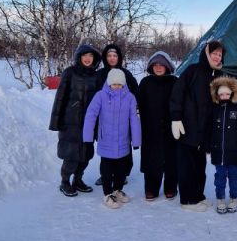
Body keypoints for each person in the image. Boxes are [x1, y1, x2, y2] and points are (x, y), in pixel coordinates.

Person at [170, 40, 225, 212]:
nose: (217, 57)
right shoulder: (193, 70)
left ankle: (198, 195)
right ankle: (187, 200)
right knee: (187, 164)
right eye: (214, 53)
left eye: (220, 55)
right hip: (187, 126)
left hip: (205, 131)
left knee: (200, 165)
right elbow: (177, 93)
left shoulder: (219, 75)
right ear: (207, 54)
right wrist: (176, 118)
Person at [83, 68, 141, 209]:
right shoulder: (100, 96)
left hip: (123, 141)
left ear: (124, 84)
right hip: (106, 141)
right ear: (109, 83)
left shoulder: (130, 98)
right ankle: (108, 194)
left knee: (122, 169)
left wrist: (136, 140)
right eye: (114, 84)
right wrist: (88, 136)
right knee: (107, 169)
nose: (117, 86)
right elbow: (91, 115)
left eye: (120, 84)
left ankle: (117, 190)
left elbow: (134, 119)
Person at [49, 44, 101, 197]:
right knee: (71, 155)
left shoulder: (95, 76)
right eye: (84, 55)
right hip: (70, 122)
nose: (87, 59)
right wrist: (55, 122)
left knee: (85, 154)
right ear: (79, 57)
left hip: (89, 123)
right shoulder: (69, 73)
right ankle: (65, 182)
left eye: (90, 56)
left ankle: (78, 180)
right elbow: (60, 98)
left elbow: (99, 100)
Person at [95, 43, 139, 186]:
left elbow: (136, 92)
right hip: (105, 120)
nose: (112, 58)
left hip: (123, 120)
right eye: (109, 55)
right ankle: (105, 175)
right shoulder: (100, 74)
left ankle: (122, 174)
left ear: (119, 57)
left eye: (115, 55)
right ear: (105, 57)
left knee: (124, 147)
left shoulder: (126, 74)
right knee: (106, 148)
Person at [207, 76, 237, 214]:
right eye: (221, 94)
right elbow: (209, 128)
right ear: (217, 95)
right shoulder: (214, 109)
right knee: (219, 176)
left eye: (227, 93)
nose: (224, 96)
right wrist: (208, 145)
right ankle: (220, 199)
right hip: (218, 151)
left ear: (232, 93)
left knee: (233, 175)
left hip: (234, 151)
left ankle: (234, 198)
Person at [138, 51, 178, 201]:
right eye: (155, 64)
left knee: (171, 159)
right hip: (150, 127)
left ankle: (171, 187)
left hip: (171, 127)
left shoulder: (175, 82)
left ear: (167, 66)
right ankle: (151, 188)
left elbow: (181, 103)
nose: (159, 67)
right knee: (151, 159)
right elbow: (138, 105)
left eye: (162, 64)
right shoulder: (145, 83)